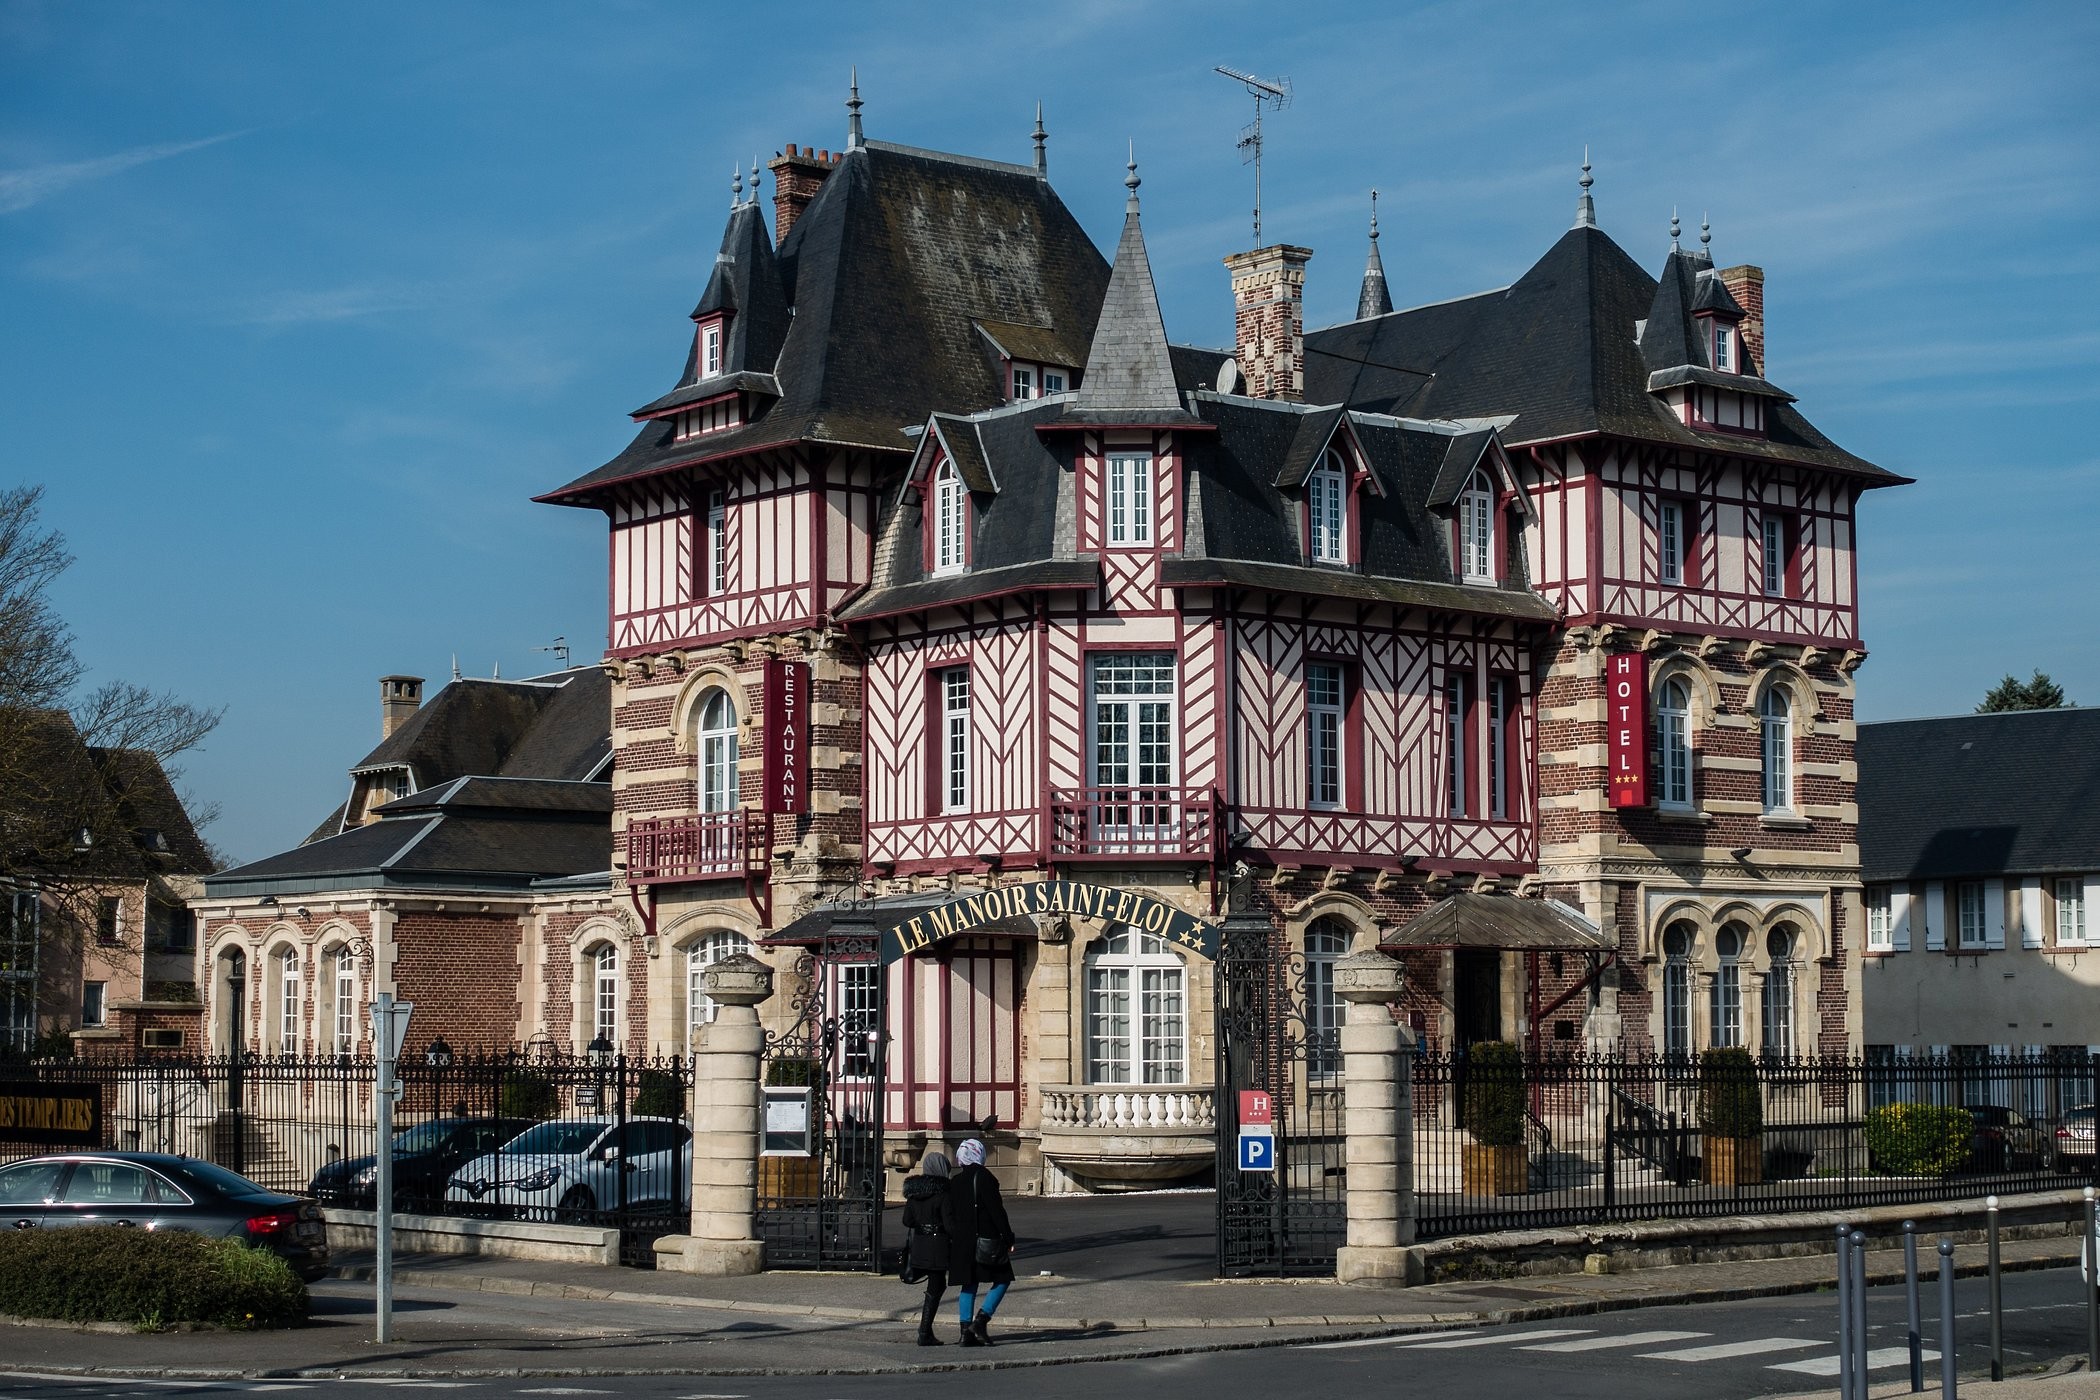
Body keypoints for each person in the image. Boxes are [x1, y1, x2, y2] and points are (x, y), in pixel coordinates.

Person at [940, 1137, 1015, 1346]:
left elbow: (950, 1214)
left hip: (962, 1243)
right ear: (978, 1154)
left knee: (968, 1284)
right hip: (985, 1239)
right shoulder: (985, 1177)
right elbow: (996, 1211)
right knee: (1003, 1278)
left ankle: (965, 1332)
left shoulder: (955, 1181)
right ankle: (981, 1320)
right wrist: (1008, 1237)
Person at [899, 1150, 952, 1346]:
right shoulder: (944, 1193)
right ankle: (924, 1331)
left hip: (920, 1245)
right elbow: (950, 1224)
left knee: (935, 1286)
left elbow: (907, 1221)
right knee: (936, 1286)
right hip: (938, 1247)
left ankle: (925, 1330)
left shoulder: (914, 1193)